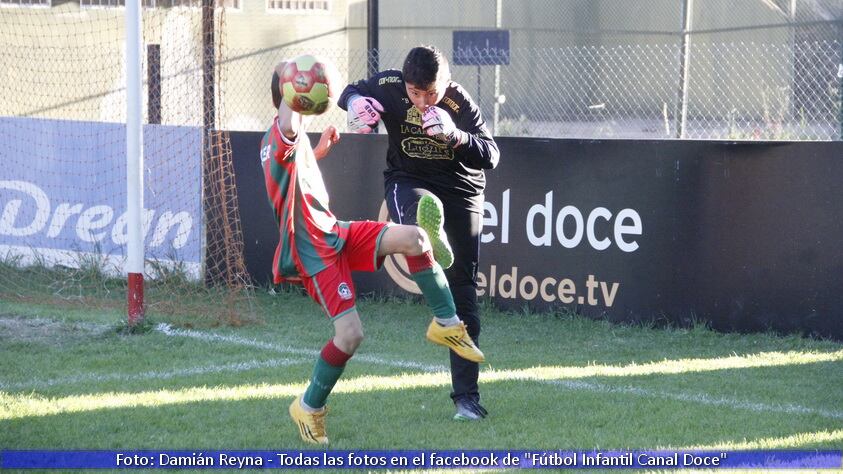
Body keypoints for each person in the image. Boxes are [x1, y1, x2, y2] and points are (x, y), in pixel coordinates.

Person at [262, 58, 484, 445]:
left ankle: (446, 324)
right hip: (313, 251)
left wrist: (320, 151)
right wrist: (291, 82)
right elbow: (286, 125)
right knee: (349, 335)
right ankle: (308, 407)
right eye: (296, 85)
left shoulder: (286, 145)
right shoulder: (280, 136)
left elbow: (293, 169)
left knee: (414, 238)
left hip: (334, 231)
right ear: (290, 96)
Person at [339, 45, 500, 421]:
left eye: (432, 94)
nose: (424, 101)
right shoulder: (390, 84)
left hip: (461, 192)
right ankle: (427, 231)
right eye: (416, 94)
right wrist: (355, 103)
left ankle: (467, 400)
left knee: (463, 293)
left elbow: (491, 155)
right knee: (417, 217)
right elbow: (351, 90)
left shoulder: (459, 102)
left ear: (446, 83)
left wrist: (455, 135)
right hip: (408, 180)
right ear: (405, 85)